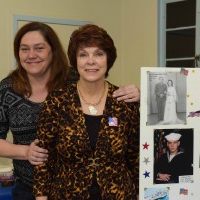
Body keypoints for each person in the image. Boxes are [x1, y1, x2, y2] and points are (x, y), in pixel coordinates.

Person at [0, 22, 140, 200]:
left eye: (39, 48)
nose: (31, 55)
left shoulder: (74, 78)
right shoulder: (11, 90)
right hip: (34, 184)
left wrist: (138, 95)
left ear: (53, 51)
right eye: (24, 49)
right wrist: (27, 152)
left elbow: (135, 156)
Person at [33, 24, 140, 199]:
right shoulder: (56, 102)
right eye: (83, 54)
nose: (91, 61)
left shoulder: (124, 103)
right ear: (75, 61)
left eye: (98, 54)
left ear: (108, 59)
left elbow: (135, 159)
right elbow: (43, 160)